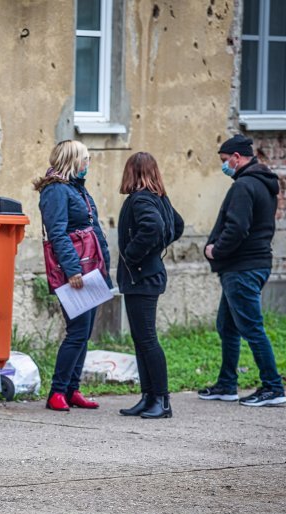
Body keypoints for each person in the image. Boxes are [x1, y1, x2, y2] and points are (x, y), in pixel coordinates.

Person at [198, 134, 285, 407]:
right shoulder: (263, 184)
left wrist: (215, 250)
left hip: (242, 267)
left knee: (251, 327)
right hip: (250, 265)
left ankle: (273, 386)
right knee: (227, 325)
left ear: (237, 157)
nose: (224, 166)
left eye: (225, 161)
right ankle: (227, 384)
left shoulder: (245, 186)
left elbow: (237, 228)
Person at [35, 140, 111, 412]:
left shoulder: (76, 188)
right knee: (77, 332)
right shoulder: (55, 191)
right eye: (85, 159)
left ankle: (71, 389)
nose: (88, 164)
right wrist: (73, 270)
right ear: (71, 161)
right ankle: (57, 392)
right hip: (76, 271)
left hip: (91, 269)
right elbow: (57, 233)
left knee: (84, 332)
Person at [116, 152, 184, 419]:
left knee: (147, 339)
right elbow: (176, 226)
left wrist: (134, 254)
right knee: (141, 339)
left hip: (143, 277)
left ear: (132, 171)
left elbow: (155, 227)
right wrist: (156, 249)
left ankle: (162, 401)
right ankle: (148, 397)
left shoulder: (142, 198)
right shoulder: (158, 197)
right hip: (144, 276)